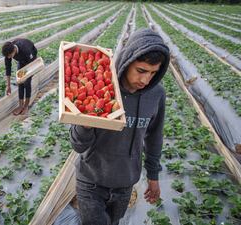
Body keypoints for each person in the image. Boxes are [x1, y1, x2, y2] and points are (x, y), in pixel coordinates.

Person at [69, 28, 170, 225]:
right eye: (141, 71)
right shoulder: (102, 85)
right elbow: (78, 145)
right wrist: (86, 122)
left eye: (153, 73)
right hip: (91, 180)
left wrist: (153, 175)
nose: (145, 80)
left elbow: (154, 137)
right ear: (127, 61)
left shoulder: (156, 94)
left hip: (125, 183)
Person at [2, 38, 38, 115]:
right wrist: (8, 86)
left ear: (14, 50)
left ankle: (26, 105)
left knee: (27, 82)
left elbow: (31, 64)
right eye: (7, 56)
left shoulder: (25, 49)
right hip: (21, 61)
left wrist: (27, 75)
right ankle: (20, 105)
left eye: (10, 56)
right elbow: (8, 69)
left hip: (30, 58)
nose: (9, 57)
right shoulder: (8, 53)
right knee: (20, 81)